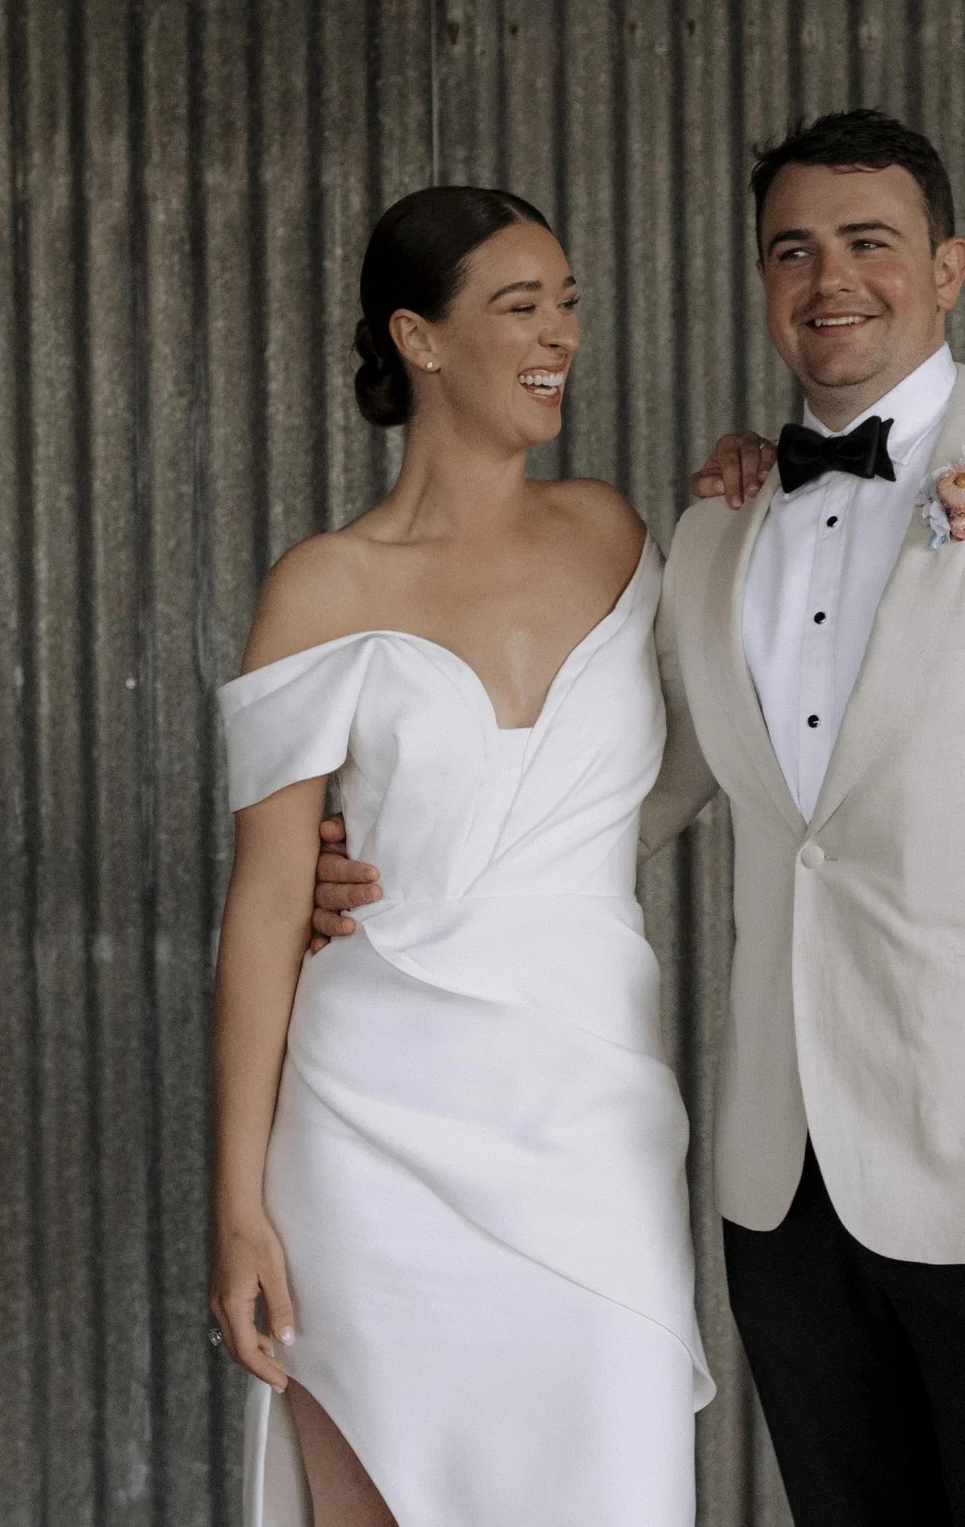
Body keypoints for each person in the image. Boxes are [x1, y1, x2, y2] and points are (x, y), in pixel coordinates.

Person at [314, 111, 965, 1525]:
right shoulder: (717, 528)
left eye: (870, 243)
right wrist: (379, 871)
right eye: (793, 250)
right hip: (783, 1189)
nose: (832, 279)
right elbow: (614, 791)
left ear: (949, 268)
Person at [206, 185, 775, 1526]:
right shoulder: (323, 587)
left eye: (568, 303)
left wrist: (754, 503)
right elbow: (266, 905)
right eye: (520, 306)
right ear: (419, 337)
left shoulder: (619, 532)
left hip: (590, 1123)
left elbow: (727, 736)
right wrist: (238, 1208)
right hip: (366, 1129)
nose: (559, 335)